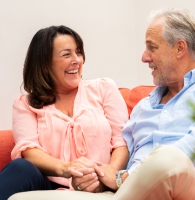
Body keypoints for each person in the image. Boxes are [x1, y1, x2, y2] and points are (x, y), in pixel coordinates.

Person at [9, 8, 195, 200]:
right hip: (130, 193)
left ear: (179, 48)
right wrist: (98, 178)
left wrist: (124, 178)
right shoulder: (144, 107)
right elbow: (121, 155)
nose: (144, 57)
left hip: (187, 192)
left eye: (152, 47)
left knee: (168, 158)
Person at [0, 25, 129, 200]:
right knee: (20, 168)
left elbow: (121, 141)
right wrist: (67, 168)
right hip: (49, 186)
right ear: (44, 63)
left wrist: (108, 176)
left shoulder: (103, 88)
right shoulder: (25, 104)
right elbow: (29, 150)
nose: (77, 60)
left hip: (101, 183)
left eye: (79, 52)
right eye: (66, 54)